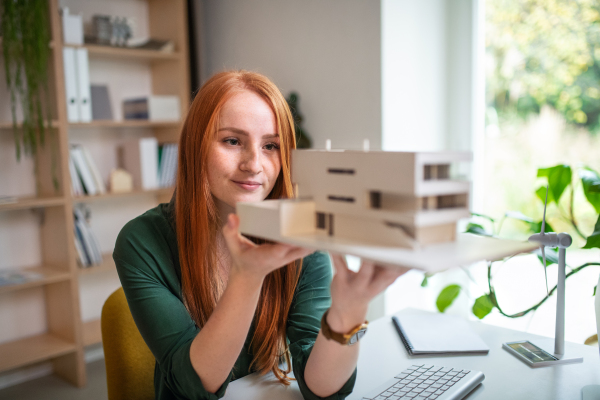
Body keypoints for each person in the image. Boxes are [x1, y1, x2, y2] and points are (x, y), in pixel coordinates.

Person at [113, 70, 407, 400]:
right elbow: (194, 386)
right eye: (233, 141)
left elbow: (322, 388)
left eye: (270, 146)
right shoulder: (141, 241)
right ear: (195, 147)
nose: (254, 164)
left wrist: (349, 312)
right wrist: (248, 275)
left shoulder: (301, 236)